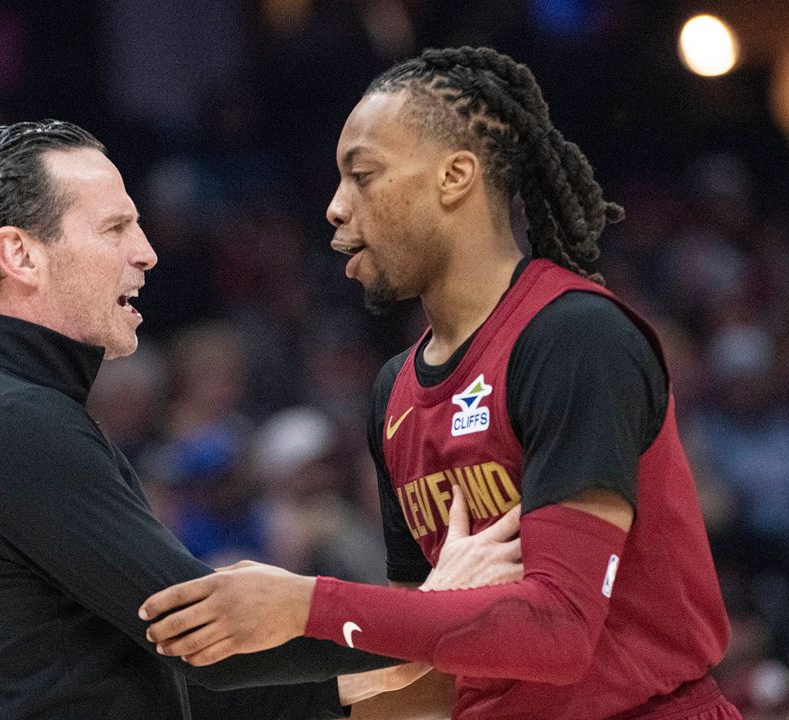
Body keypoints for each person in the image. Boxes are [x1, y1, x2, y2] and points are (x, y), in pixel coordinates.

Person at [140, 47, 740, 720]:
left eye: (362, 175)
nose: (336, 208)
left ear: (456, 176)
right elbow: (426, 663)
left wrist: (302, 605)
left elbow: (559, 633)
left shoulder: (573, 338)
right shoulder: (393, 392)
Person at [0, 120, 519, 720]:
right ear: (20, 255)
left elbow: (157, 679)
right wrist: (429, 613)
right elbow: (207, 637)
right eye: (115, 227)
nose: (145, 253)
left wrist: (372, 667)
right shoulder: (10, 421)